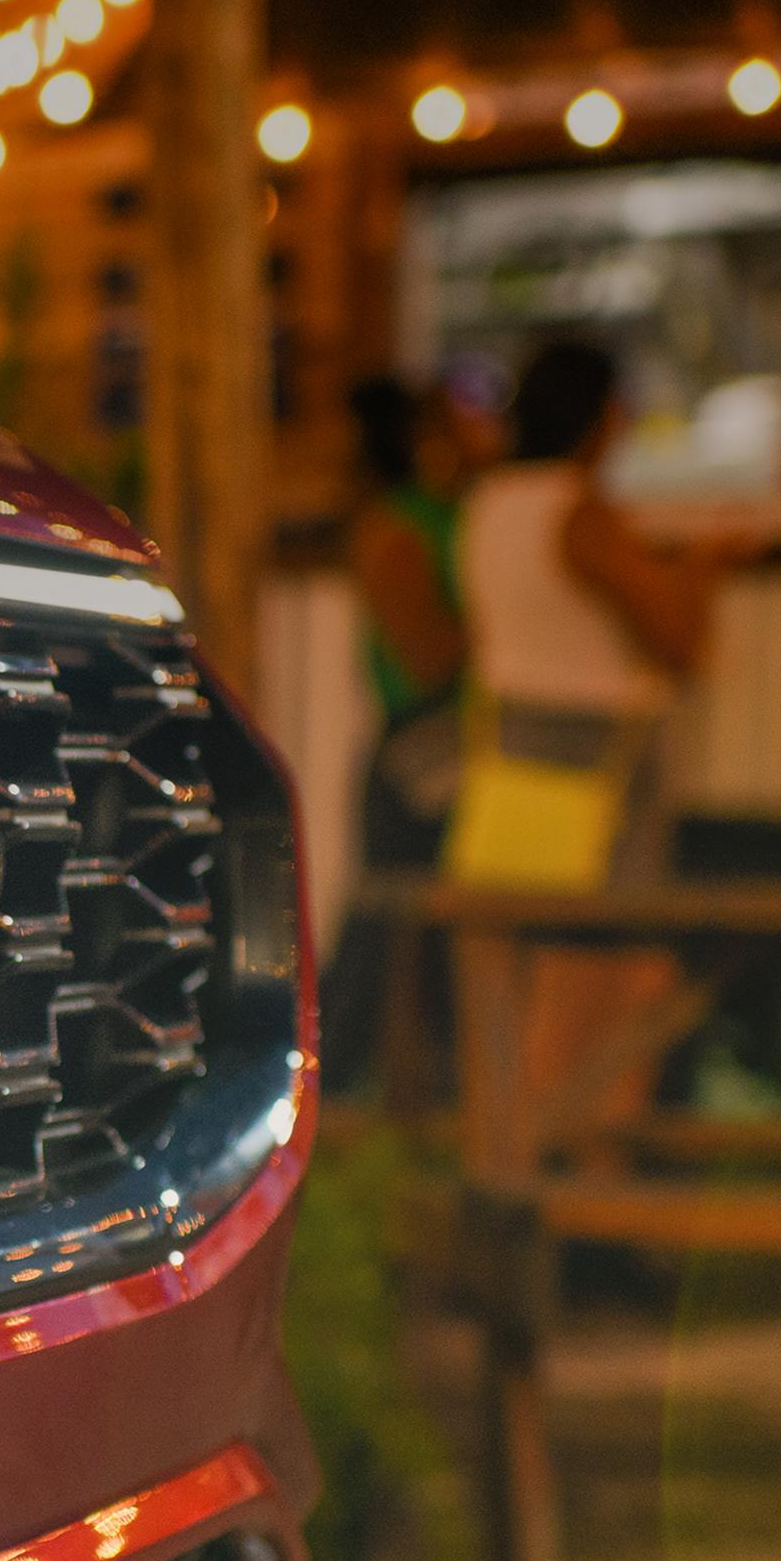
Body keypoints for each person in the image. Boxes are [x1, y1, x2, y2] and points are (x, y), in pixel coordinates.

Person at [446, 339, 756, 1154]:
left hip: (511, 755)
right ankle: (581, 1175)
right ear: (603, 418)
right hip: (601, 765)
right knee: (607, 975)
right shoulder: (579, 512)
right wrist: (704, 567)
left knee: (517, 971)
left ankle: (509, 1156)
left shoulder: (488, 505)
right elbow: (678, 640)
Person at [320, 375, 476, 1095]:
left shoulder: (434, 514)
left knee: (413, 933)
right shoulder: (397, 527)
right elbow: (425, 654)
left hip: (433, 744)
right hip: (420, 749)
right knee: (386, 937)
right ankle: (337, 1083)